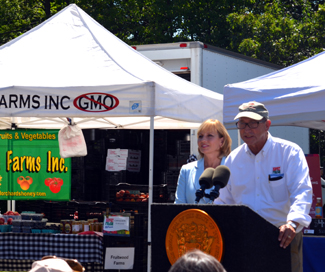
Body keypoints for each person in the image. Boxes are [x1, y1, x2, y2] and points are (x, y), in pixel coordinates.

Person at [214, 101, 312, 272]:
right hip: (244, 239)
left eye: (253, 123)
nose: (246, 129)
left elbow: (302, 191)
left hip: (282, 237)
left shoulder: (289, 152)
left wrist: (292, 223)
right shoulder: (232, 160)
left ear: (267, 125)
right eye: (242, 124)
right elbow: (223, 201)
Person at [174, 119, 232, 204]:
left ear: (222, 141)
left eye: (210, 135)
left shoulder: (233, 168)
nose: (203, 140)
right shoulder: (186, 170)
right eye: (200, 136)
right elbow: (179, 205)